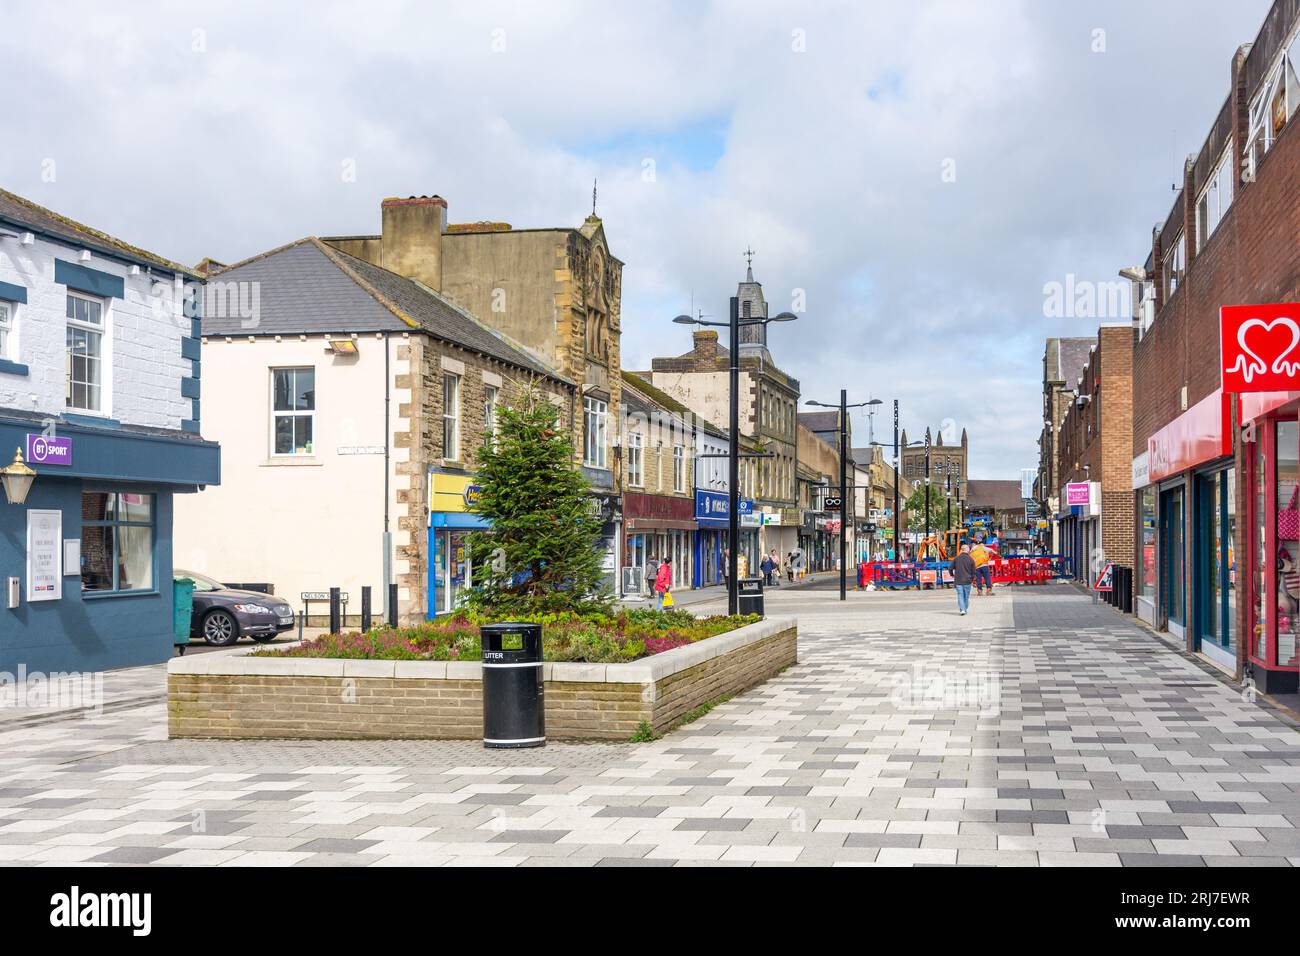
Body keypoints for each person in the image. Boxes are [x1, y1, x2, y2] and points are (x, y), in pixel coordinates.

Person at [953, 543, 975, 615]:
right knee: (966, 596)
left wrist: (952, 575)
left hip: (958, 580)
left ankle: (962, 609)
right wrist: (972, 579)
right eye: (969, 549)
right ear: (967, 550)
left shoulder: (956, 558)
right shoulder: (971, 559)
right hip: (967, 580)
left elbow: (950, 568)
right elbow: (973, 571)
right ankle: (964, 608)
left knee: (960, 595)